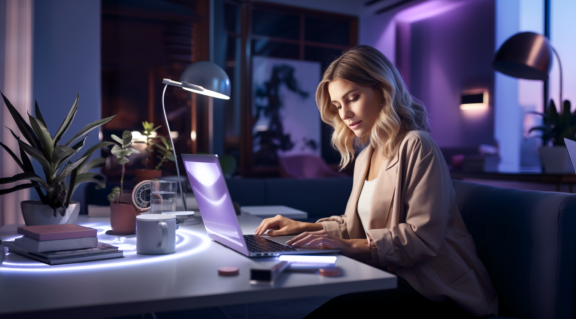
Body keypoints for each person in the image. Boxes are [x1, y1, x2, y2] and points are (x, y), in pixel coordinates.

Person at [254, 45, 499, 318]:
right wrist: (303, 226)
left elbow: (423, 238)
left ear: (383, 90)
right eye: (337, 105)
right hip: (393, 280)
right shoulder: (365, 156)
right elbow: (354, 225)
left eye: (353, 98)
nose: (344, 114)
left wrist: (346, 245)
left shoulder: (417, 145)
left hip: (437, 291)